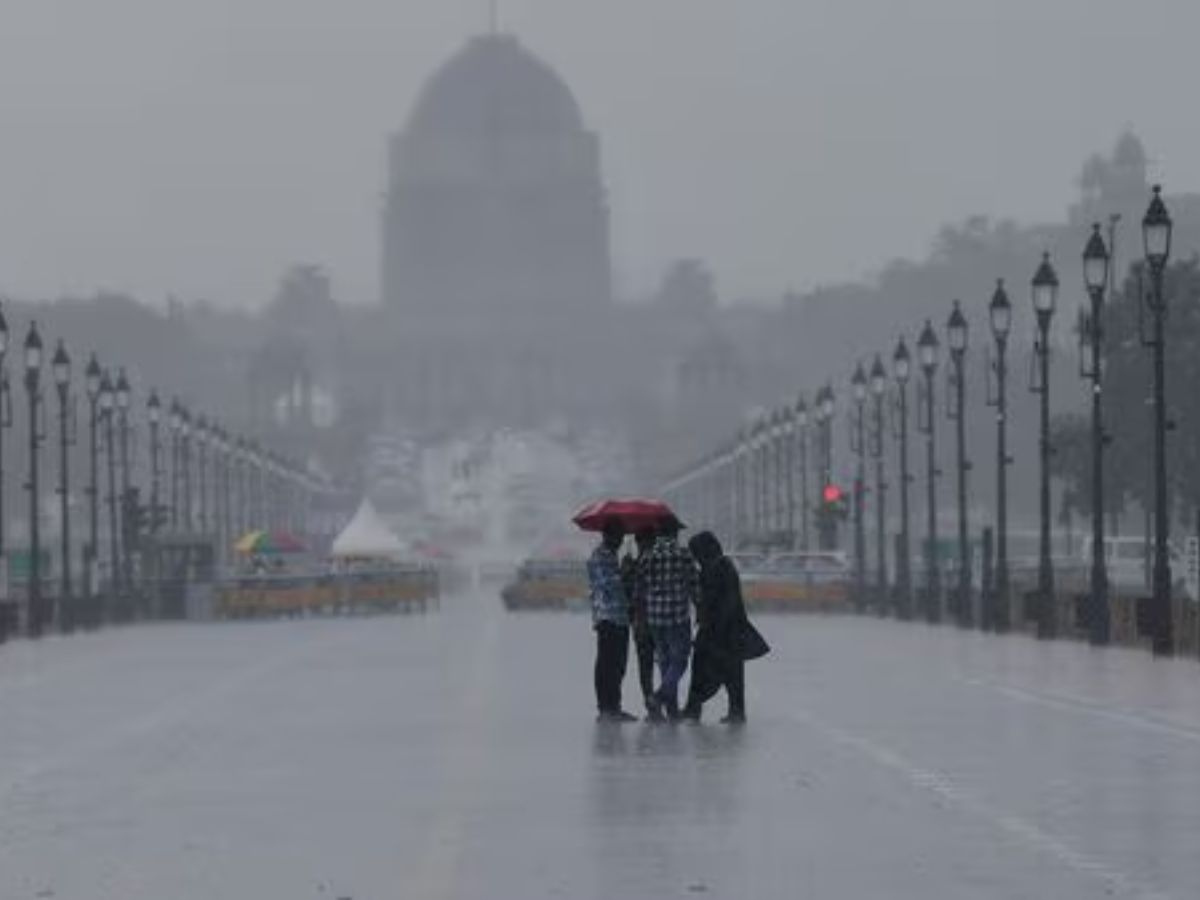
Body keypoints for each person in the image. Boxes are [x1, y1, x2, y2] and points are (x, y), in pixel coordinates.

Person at [682, 531, 768, 723]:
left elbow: (724, 600)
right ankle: (730, 710)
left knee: (714, 668)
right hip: (725, 628)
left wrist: (713, 624)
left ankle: (698, 708)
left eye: (696, 552)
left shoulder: (720, 567)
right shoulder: (716, 566)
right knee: (728, 672)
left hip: (723, 629)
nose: (695, 557)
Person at [638, 517, 698, 720]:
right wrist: (700, 606)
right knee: (680, 660)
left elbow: (641, 586)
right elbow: (693, 583)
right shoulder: (683, 554)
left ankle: (672, 710)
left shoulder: (647, 555)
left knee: (664, 661)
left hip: (654, 617)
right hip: (678, 615)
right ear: (675, 533)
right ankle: (661, 695)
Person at [587, 521, 636, 722]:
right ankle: (606, 708)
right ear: (608, 536)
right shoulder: (600, 557)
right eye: (618, 536)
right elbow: (607, 584)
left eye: (622, 536)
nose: (621, 540)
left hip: (619, 617)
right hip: (608, 617)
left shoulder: (610, 556)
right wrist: (624, 573)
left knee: (618, 664)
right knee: (608, 663)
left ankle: (614, 705)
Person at [621, 528, 658, 718]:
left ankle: (651, 702)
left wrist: (626, 568)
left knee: (646, 664)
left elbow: (626, 593)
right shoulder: (657, 562)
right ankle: (663, 701)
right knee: (666, 663)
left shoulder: (634, 565)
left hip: (640, 622)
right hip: (660, 620)